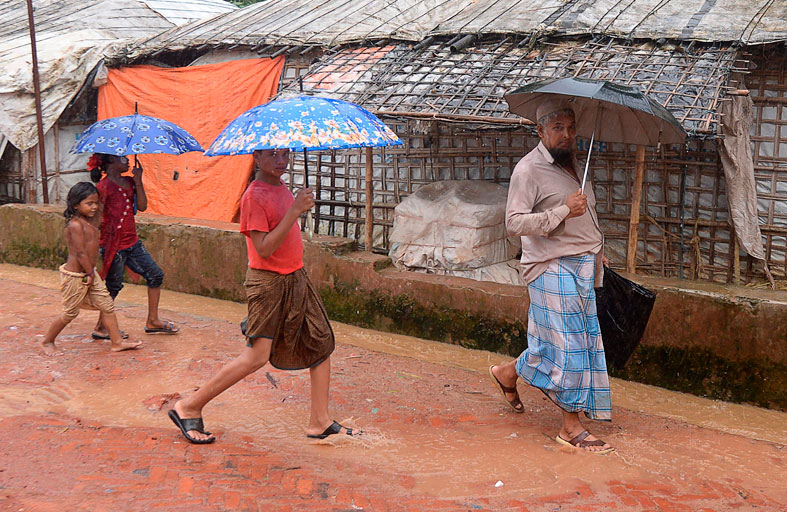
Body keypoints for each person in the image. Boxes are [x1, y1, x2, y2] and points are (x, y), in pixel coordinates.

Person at [168, 148, 356, 444]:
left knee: (320, 343)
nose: (281, 161)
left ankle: (320, 421)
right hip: (268, 284)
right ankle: (189, 405)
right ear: (256, 157)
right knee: (256, 357)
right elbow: (264, 248)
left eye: (285, 154)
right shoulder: (253, 197)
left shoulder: (280, 187)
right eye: (273, 155)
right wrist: (295, 210)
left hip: (296, 278)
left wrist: (296, 207)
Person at [488, 99, 614, 454]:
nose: (566, 135)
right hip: (550, 266)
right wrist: (562, 210)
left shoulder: (576, 165)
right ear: (540, 130)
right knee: (570, 345)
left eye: (571, 128)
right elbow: (513, 223)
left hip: (584, 266)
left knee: (563, 343)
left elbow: (585, 217)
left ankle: (508, 373)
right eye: (557, 128)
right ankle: (570, 428)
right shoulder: (528, 170)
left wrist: (598, 252)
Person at [40, 182, 142, 355]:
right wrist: (89, 273)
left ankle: (116, 342)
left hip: (89, 273)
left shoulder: (91, 221)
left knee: (107, 305)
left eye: (95, 202)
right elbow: (80, 253)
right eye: (89, 203)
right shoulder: (75, 225)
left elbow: (103, 204)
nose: (94, 207)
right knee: (70, 313)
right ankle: (47, 341)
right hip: (76, 275)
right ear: (75, 205)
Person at [88, 153, 179, 337]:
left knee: (155, 275)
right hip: (113, 244)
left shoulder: (129, 183)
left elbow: (143, 206)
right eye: (123, 157)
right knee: (113, 285)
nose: (128, 160)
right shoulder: (103, 187)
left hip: (132, 242)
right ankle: (100, 327)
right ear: (112, 162)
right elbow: (97, 216)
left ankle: (152, 320)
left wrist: (138, 180)